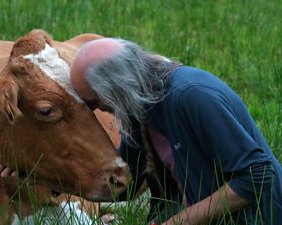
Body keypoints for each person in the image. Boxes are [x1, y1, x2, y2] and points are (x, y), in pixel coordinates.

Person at [69, 37, 282, 225]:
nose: (99, 109)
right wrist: (62, 178)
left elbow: (255, 175)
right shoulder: (138, 103)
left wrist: (178, 221)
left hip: (255, 217)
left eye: (95, 101)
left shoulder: (193, 95)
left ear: (118, 87)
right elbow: (127, 181)